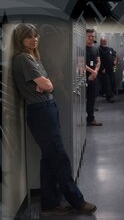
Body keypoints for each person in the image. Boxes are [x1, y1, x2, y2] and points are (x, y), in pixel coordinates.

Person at [11, 24, 98, 216]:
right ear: (20, 40)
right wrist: (45, 84)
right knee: (59, 157)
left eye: (35, 36)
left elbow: (48, 83)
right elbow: (48, 84)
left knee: (48, 159)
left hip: (47, 108)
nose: (34, 40)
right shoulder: (24, 59)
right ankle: (77, 201)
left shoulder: (34, 57)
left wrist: (45, 84)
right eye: (28, 37)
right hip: (40, 111)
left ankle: (49, 205)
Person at [84, 28, 101, 126]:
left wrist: (95, 72)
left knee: (92, 99)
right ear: (85, 37)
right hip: (84, 78)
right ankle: (81, 117)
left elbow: (98, 61)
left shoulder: (95, 48)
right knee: (83, 100)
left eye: (92, 36)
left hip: (93, 77)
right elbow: (81, 63)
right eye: (89, 36)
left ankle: (90, 118)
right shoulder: (81, 48)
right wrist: (92, 72)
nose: (91, 38)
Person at [97, 37, 117, 102]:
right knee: (107, 82)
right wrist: (102, 68)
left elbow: (116, 55)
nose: (104, 42)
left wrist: (115, 61)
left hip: (113, 68)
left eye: (105, 41)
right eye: (103, 41)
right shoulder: (99, 49)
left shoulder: (110, 49)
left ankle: (111, 93)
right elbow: (98, 60)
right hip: (104, 69)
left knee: (112, 80)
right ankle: (108, 97)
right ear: (100, 42)